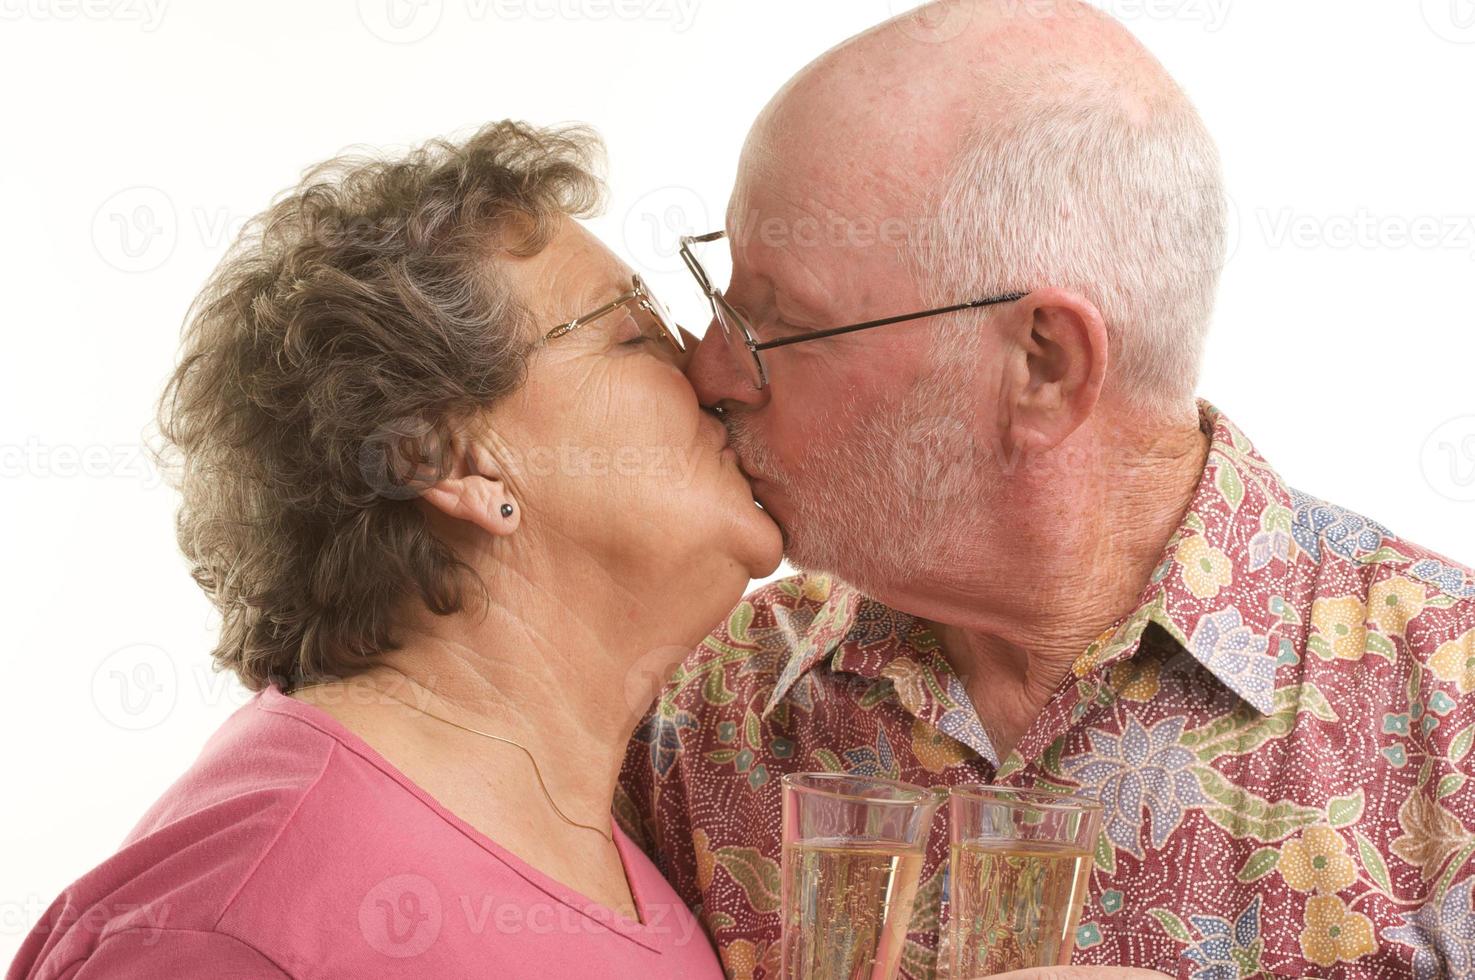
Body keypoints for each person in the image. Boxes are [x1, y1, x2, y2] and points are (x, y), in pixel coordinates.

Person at [618, 2, 1475, 977]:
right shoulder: (699, 710)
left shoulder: (1449, 714)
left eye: (774, 322)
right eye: (723, 294)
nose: (714, 373)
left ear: (1041, 365)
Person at [9, 121, 781, 979]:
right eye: (632, 335)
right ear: (455, 461)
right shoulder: (233, 925)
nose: (716, 372)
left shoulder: (621, 857)